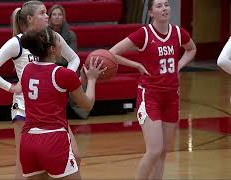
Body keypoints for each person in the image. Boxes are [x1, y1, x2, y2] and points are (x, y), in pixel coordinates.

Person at [0, 1, 81, 179]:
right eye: (42, 13)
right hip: (24, 108)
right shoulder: (16, 43)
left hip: (51, 110)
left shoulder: (53, 37)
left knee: (75, 156)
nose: (47, 15)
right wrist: (12, 87)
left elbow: (74, 59)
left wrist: (65, 77)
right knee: (23, 164)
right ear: (30, 18)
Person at [109, 0, 196, 179]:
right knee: (154, 150)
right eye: (159, 6)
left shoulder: (179, 32)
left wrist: (178, 66)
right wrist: (136, 65)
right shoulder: (144, 33)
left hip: (172, 95)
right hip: (150, 95)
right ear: (150, 13)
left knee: (163, 152)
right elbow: (112, 53)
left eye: (166, 5)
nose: (164, 8)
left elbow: (192, 49)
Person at [11, 27, 105, 179]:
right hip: (53, 140)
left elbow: (51, 91)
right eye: (59, 41)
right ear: (53, 49)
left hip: (28, 141)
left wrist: (79, 81)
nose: (62, 44)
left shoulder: (27, 70)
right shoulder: (64, 74)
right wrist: (92, 80)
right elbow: (87, 104)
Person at [48, 4, 89, 119]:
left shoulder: (70, 35)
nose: (57, 17)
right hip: (50, 67)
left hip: (67, 66)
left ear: (63, 17)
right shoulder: (45, 33)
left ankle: (78, 111)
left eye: (59, 14)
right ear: (50, 17)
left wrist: (55, 59)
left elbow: (71, 56)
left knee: (75, 78)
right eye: (54, 14)